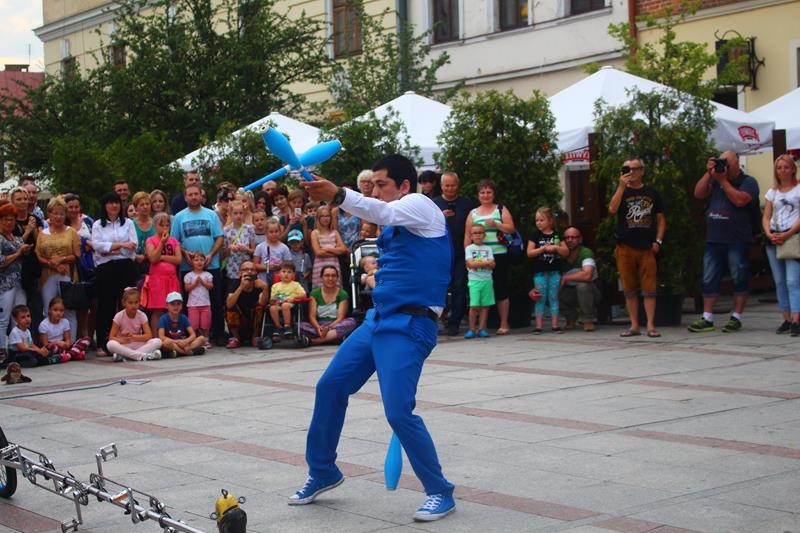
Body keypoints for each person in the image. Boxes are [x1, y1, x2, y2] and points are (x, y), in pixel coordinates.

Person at [292, 154, 455, 522]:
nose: (375, 191)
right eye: (373, 184)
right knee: (329, 387)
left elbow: (381, 211)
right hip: (378, 320)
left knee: (398, 412)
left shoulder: (421, 206)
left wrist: (337, 195)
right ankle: (323, 471)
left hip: (410, 325)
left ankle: (440, 491)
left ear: (405, 186)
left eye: (382, 184)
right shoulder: (395, 223)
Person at [689, 151, 760, 333]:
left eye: (727, 164)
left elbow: (739, 200)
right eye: (722, 164)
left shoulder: (748, 182)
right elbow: (698, 193)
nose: (724, 168)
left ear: (736, 164)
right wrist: (709, 173)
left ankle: (736, 317)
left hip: (737, 239)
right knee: (709, 278)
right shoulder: (715, 180)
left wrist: (723, 182)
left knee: (739, 277)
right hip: (714, 239)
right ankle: (707, 317)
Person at [608, 158, 666, 338]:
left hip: (647, 247)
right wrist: (621, 187)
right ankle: (634, 325)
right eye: (627, 169)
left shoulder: (652, 193)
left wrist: (658, 241)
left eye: (634, 169)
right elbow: (612, 209)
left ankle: (650, 325)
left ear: (642, 171)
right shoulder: (622, 191)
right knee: (629, 288)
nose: (631, 172)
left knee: (649, 288)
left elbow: (661, 219)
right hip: (625, 246)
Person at [171, 183, 226, 345]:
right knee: (190, 303)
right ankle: (191, 334)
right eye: (190, 194)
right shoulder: (179, 217)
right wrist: (184, 252)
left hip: (211, 265)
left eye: (196, 194)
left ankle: (217, 333)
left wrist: (211, 254)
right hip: (188, 267)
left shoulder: (211, 215)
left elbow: (220, 237)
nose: (194, 197)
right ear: (185, 197)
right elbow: (174, 241)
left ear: (201, 196)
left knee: (215, 301)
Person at [464, 179, 516, 334]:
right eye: (482, 192)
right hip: (478, 258)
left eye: (489, 192)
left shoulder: (501, 209)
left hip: (498, 254)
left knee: (500, 289)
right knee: (479, 290)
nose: (485, 195)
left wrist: (496, 224)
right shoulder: (473, 213)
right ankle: (480, 327)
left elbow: (511, 229)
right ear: (478, 195)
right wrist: (467, 256)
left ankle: (504, 323)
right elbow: (467, 235)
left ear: (494, 194)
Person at [92, 192, 139, 356]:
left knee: (127, 303)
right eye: (110, 203)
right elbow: (98, 247)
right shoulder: (98, 225)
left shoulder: (129, 223)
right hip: (106, 269)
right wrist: (121, 245)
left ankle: (128, 340)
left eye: (117, 202)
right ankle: (103, 342)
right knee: (106, 305)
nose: (114, 206)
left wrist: (111, 249)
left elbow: (133, 245)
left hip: (126, 267)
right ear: (104, 206)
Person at [433, 171, 476, 336]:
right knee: (440, 287)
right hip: (440, 253)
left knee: (459, 287)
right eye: (447, 185)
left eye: (453, 185)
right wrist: (440, 216)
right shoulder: (434, 204)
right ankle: (438, 320)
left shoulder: (468, 204)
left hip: (461, 252)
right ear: (441, 186)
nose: (450, 188)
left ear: (457, 185)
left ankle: (455, 323)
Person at [762, 154, 800, 336]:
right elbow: (766, 216)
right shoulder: (772, 192)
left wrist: (788, 233)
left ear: (793, 169)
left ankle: (796, 318)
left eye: (786, 167)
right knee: (780, 281)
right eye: (779, 168)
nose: (782, 171)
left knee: (793, 281)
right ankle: (786, 317)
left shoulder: (798, 189)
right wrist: (769, 233)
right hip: (774, 236)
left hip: (791, 236)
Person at [35, 196, 81, 337]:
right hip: (47, 275)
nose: (58, 217)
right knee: (48, 309)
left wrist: (62, 260)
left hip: (66, 274)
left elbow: (77, 255)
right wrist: (52, 264)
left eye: (61, 213)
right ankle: (49, 342)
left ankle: (71, 342)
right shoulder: (42, 234)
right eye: (55, 213)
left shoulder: (71, 232)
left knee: (69, 310)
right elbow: (38, 255)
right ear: (49, 214)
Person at [526, 207, 568, 334]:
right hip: (539, 273)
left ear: (550, 221)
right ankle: (538, 326)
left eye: (541, 220)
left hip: (554, 272)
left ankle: (555, 325)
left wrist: (556, 248)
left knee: (553, 297)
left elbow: (565, 251)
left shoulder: (557, 235)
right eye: (537, 220)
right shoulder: (535, 235)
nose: (538, 223)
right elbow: (529, 253)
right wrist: (542, 249)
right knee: (540, 298)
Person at [0, 203, 32, 359]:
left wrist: (25, 249)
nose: (9, 222)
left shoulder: (15, 238)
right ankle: (1, 351)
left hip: (19, 283)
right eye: (6, 219)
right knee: (3, 319)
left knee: (20, 318)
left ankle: (18, 349)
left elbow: (21, 247)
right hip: (5, 284)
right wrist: (19, 252)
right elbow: (1, 261)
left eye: (12, 219)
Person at [299, 265, 357, 345]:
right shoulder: (315, 293)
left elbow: (340, 318)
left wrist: (329, 328)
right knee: (300, 325)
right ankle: (334, 338)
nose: (330, 278)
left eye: (333, 276)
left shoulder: (342, 294)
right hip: (319, 325)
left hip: (336, 324)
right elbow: (312, 316)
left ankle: (314, 341)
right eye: (327, 275)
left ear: (337, 278)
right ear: (321, 278)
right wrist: (318, 328)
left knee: (351, 322)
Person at [145, 212, 182, 336]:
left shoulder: (174, 241)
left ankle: (171, 335)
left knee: (173, 308)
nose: (165, 228)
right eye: (161, 225)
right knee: (158, 309)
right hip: (157, 280)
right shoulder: (151, 240)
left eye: (167, 225)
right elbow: (153, 258)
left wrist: (162, 257)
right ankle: (156, 337)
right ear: (155, 226)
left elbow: (178, 259)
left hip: (171, 279)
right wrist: (162, 243)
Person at [559, 226, 602, 331]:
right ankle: (570, 317)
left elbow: (587, 275)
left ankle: (588, 320)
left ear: (580, 239)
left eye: (573, 237)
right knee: (547, 290)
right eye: (567, 237)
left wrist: (566, 277)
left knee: (583, 285)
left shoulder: (586, 252)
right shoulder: (560, 256)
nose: (570, 240)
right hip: (570, 292)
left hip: (591, 292)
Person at [107, 287, 162, 362]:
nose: (133, 305)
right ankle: (143, 356)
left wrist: (133, 336)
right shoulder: (119, 316)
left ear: (139, 302)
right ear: (124, 303)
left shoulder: (142, 315)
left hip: (138, 344)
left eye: (136, 302)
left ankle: (125, 356)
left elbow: (149, 335)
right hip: (124, 345)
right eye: (130, 303)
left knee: (157, 341)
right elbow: (111, 337)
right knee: (110, 344)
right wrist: (122, 340)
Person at [225, 261, 269, 348]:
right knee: (231, 308)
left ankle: (255, 337)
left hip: (253, 321)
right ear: (239, 273)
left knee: (260, 307)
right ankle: (236, 339)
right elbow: (229, 304)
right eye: (245, 269)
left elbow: (263, 303)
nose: (249, 272)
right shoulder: (234, 284)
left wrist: (265, 288)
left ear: (256, 273)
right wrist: (241, 287)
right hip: (239, 321)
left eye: (252, 269)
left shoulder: (260, 284)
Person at [464, 224, 495, 339]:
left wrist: (478, 264)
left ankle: (482, 329)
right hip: (474, 281)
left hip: (487, 280)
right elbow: (471, 264)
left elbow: (493, 265)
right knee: (474, 306)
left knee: (485, 306)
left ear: (484, 235)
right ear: (471, 236)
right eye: (475, 233)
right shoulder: (469, 249)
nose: (478, 235)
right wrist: (486, 263)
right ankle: (472, 329)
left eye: (480, 233)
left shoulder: (488, 249)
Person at [157, 292, 206, 357]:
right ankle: (186, 352)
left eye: (178, 304)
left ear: (181, 306)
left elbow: (193, 334)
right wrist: (176, 341)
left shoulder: (183, 317)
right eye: (173, 304)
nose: (176, 307)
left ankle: (180, 352)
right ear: (167, 306)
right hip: (172, 343)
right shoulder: (163, 318)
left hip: (183, 343)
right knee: (165, 343)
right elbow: (161, 337)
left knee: (202, 339)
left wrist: (186, 341)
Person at [310, 205, 347, 289]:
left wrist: (327, 249)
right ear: (318, 218)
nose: (325, 218)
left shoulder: (335, 232)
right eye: (323, 216)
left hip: (334, 264)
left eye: (327, 216)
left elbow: (343, 250)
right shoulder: (315, 233)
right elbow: (318, 252)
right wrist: (335, 251)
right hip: (320, 265)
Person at [223, 200, 256, 294]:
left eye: (241, 213)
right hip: (232, 269)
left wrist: (246, 249)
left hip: (247, 269)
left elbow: (254, 251)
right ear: (230, 214)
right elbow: (223, 254)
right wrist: (230, 248)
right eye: (235, 213)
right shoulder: (226, 230)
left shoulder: (250, 229)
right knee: (232, 294)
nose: (238, 216)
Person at [268, 261, 307, 340]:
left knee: (285, 305)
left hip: (290, 304)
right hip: (278, 304)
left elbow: (304, 294)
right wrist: (274, 301)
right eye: (284, 271)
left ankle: (287, 326)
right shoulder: (275, 286)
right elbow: (272, 298)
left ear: (293, 274)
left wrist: (294, 297)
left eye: (289, 272)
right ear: (279, 273)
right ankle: (278, 327)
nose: (286, 274)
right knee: (272, 308)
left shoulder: (295, 284)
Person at [184, 252, 213, 349]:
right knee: (193, 324)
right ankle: (194, 339)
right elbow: (187, 288)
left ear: (205, 262)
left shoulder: (208, 275)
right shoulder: (189, 275)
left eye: (201, 260)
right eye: (196, 260)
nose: (199, 262)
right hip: (193, 305)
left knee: (205, 324)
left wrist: (203, 283)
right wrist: (195, 284)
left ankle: (206, 339)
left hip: (205, 304)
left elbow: (211, 286)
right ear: (191, 262)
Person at [253, 218, 292, 284]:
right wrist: (267, 267)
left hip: (279, 280)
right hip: (263, 279)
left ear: (280, 232)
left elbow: (289, 264)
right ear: (266, 233)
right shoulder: (260, 247)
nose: (274, 234)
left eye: (276, 231)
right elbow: (255, 265)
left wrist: (279, 265)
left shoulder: (284, 248)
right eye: (271, 232)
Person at [131, 191, 155, 276]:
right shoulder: (130, 224)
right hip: (134, 264)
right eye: (142, 205)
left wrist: (146, 256)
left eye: (147, 204)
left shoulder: (156, 223)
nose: (145, 207)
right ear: (136, 207)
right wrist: (135, 256)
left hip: (153, 263)